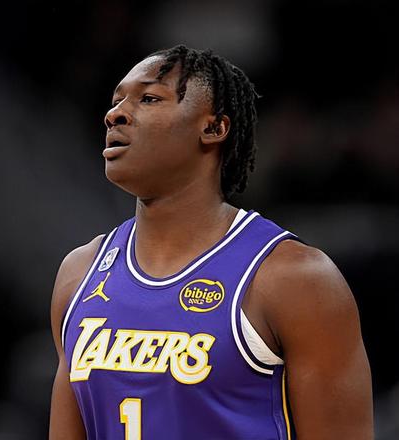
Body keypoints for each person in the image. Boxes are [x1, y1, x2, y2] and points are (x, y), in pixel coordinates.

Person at [49, 45, 373, 439]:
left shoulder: (294, 278)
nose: (115, 114)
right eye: (116, 101)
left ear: (214, 128)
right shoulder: (79, 274)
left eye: (149, 98)